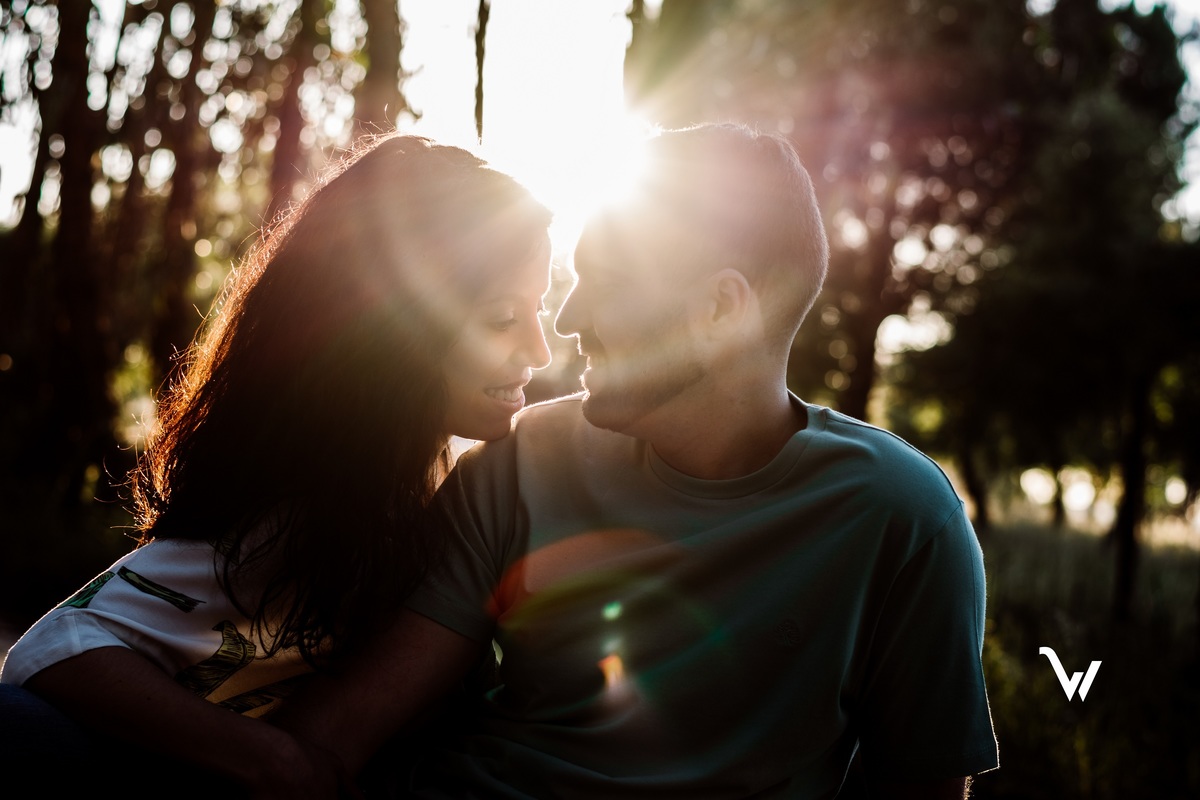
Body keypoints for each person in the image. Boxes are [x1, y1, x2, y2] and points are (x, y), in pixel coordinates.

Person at [277, 123, 999, 799]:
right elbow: (338, 737)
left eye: (609, 279)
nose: (566, 319)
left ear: (720, 310)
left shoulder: (904, 521)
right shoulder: (519, 463)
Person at [0, 133, 554, 795]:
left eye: (540, 310)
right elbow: (52, 646)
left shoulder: (462, 494)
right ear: (397, 335)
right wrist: (276, 762)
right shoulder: (298, 523)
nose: (541, 351)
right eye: (503, 318)